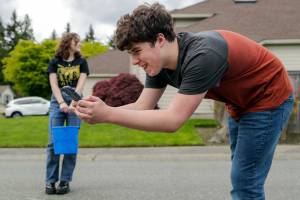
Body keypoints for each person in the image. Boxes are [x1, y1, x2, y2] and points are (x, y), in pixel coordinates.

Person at [74, 3, 293, 200]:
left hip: (268, 98)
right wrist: (101, 111)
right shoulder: (159, 64)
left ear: (159, 40)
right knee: (242, 171)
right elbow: (143, 107)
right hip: (239, 102)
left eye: (136, 51)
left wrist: (108, 114)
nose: (134, 61)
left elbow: (172, 120)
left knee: (245, 182)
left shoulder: (202, 56)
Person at [46, 32, 89, 195]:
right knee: (53, 143)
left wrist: (73, 103)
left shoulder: (82, 62)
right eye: (76, 40)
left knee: (70, 142)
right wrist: (62, 103)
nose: (79, 43)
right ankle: (50, 181)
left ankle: (64, 181)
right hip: (57, 101)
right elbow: (54, 85)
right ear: (68, 42)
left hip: (75, 100)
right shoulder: (55, 62)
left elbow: (80, 85)